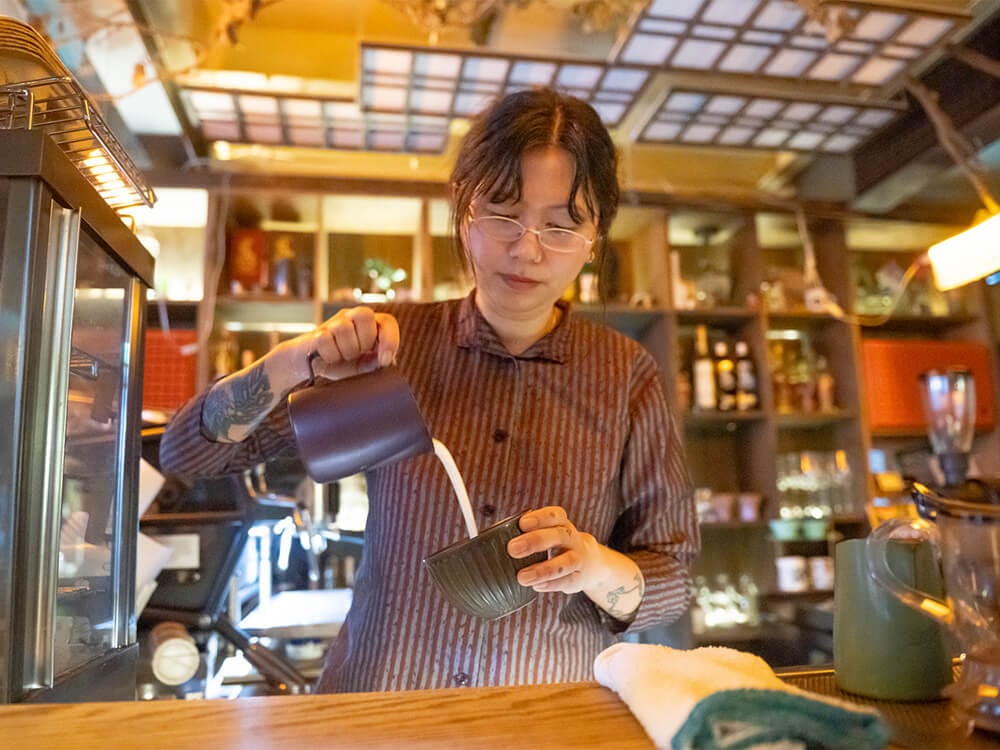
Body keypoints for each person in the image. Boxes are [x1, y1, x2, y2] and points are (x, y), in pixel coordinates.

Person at [160, 87, 699, 693]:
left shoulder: (626, 373)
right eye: (502, 212)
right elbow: (188, 456)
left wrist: (596, 565)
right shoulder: (391, 348)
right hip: (384, 707)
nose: (527, 249)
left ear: (594, 235)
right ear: (463, 207)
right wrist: (292, 364)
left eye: (561, 224)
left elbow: (673, 573)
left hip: (545, 719)